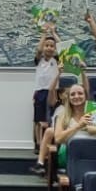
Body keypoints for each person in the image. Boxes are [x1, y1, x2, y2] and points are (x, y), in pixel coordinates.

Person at [32, 35, 59, 170]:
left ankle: (48, 142)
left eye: (52, 46)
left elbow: (64, 48)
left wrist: (53, 33)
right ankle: (38, 143)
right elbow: (38, 50)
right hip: (40, 91)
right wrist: (44, 34)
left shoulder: (57, 60)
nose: (49, 48)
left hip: (52, 91)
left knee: (50, 119)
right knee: (39, 120)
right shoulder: (39, 60)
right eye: (46, 45)